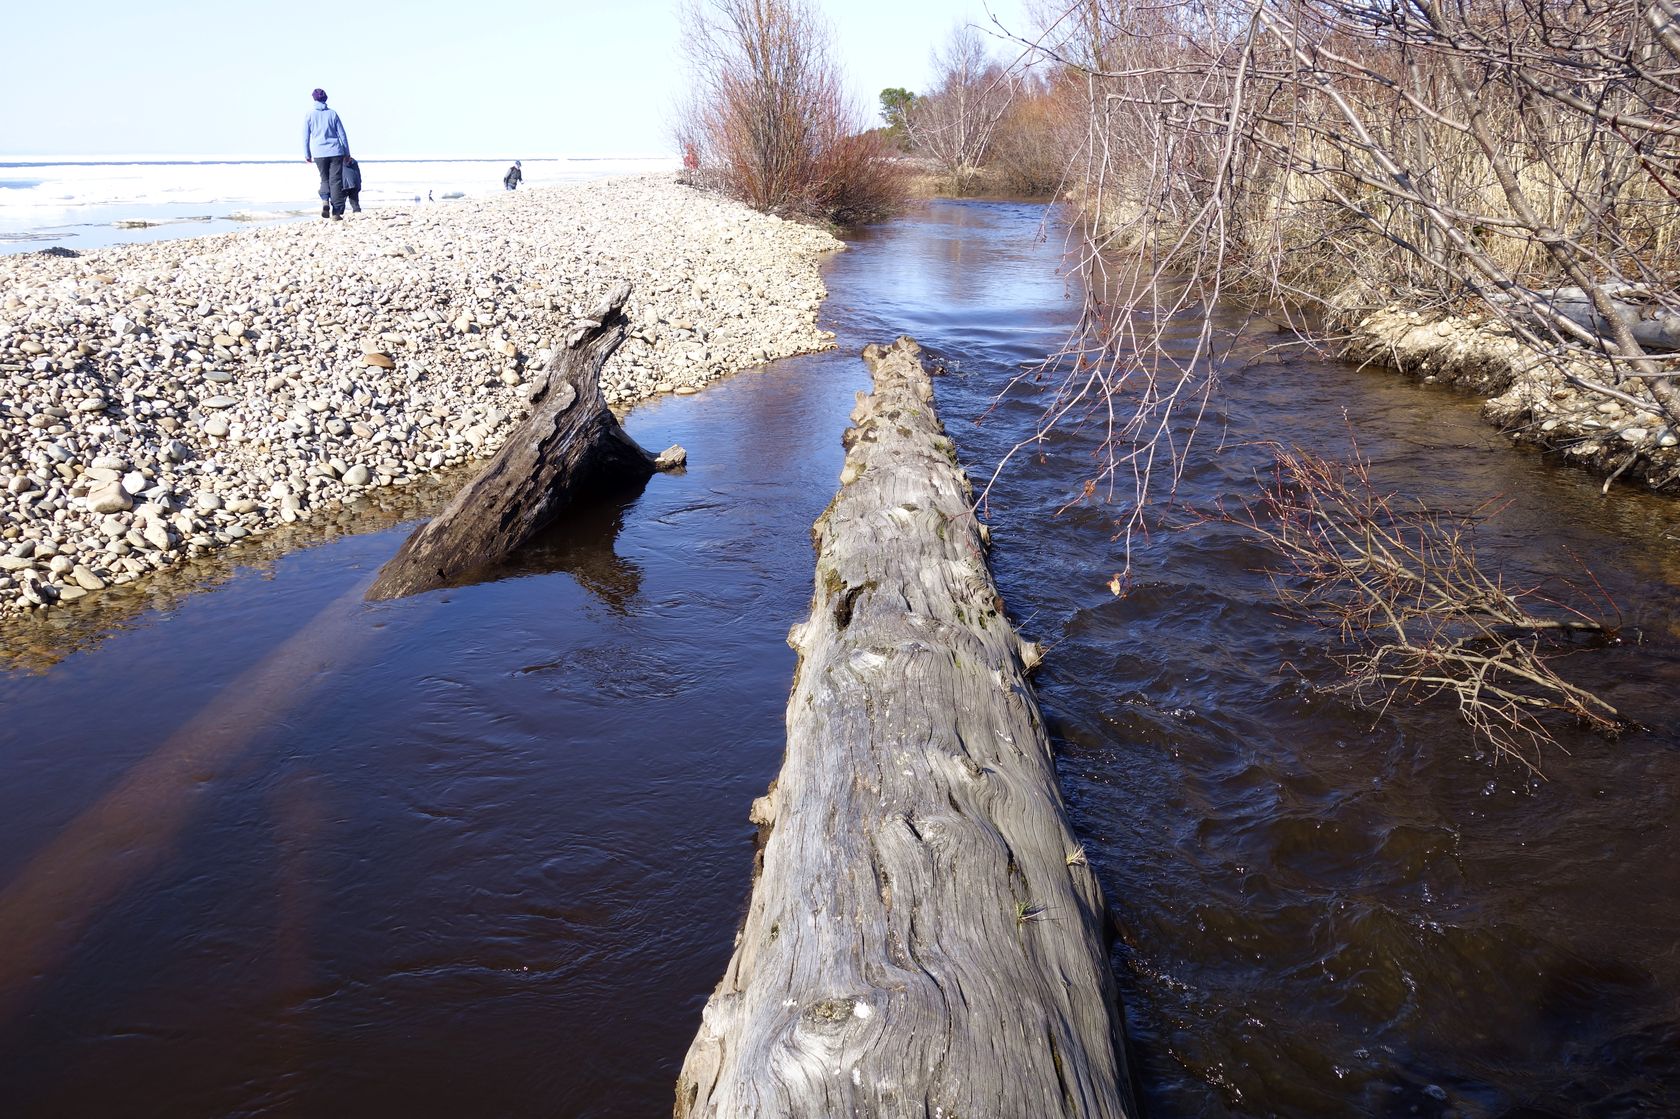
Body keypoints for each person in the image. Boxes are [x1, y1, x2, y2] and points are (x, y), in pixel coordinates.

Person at [303, 88, 351, 220]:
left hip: (319, 153)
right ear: (326, 99)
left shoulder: (309, 115)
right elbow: (342, 134)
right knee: (335, 181)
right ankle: (336, 213)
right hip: (336, 151)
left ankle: (325, 201)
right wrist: (347, 153)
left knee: (324, 179)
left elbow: (305, 137)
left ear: (314, 99)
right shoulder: (332, 114)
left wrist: (307, 154)